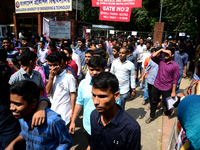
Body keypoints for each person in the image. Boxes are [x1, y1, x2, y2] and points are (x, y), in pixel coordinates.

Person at [6, 80, 72, 150]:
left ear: (33, 103)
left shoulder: (53, 121)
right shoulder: (21, 116)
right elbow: (26, 132)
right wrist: (13, 143)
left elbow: (66, 142)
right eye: (11, 102)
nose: (11, 108)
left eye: (17, 104)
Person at [90, 72, 141, 150]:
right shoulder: (94, 115)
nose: (95, 102)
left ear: (116, 96)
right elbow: (93, 143)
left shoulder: (131, 128)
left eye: (102, 96)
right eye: (94, 95)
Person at [146, 48, 179, 124]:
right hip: (157, 85)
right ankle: (151, 116)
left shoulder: (175, 66)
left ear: (173, 55)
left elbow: (175, 80)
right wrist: (161, 50)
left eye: (168, 53)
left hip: (167, 87)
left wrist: (173, 92)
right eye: (165, 53)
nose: (166, 55)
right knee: (153, 101)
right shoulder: (161, 61)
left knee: (166, 103)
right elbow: (152, 57)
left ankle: (168, 111)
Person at [46, 52, 76, 125]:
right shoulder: (52, 76)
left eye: (55, 65)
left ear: (60, 64)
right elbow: (48, 92)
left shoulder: (69, 77)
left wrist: (73, 112)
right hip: (53, 112)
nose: (52, 68)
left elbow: (73, 95)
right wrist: (51, 77)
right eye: (50, 65)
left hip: (65, 114)